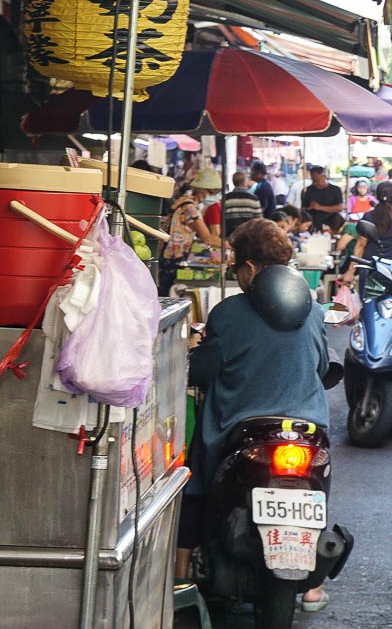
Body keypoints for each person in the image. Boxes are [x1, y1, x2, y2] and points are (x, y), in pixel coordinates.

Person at [176, 218, 330, 611]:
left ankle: (179, 569)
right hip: (306, 428)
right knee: (315, 486)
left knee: (197, 475)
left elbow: (204, 371)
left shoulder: (228, 312)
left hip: (238, 428)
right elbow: (323, 366)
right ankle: (312, 586)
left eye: (235, 263)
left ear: (249, 268)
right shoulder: (312, 308)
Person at [158, 169, 226, 297]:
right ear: (202, 191)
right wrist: (232, 245)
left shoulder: (185, 202)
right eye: (213, 192)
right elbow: (208, 239)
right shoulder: (189, 208)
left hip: (170, 256)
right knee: (165, 295)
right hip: (171, 259)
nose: (215, 195)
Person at [341, 181, 392, 286]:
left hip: (369, 266)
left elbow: (360, 245)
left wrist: (350, 272)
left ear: (376, 196)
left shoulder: (368, 217)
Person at [221, 171, 263, 237]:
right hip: (249, 236)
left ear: (233, 182)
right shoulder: (253, 199)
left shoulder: (225, 198)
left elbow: (222, 218)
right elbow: (259, 220)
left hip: (230, 236)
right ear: (244, 183)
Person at [302, 165, 345, 230]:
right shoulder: (308, 190)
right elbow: (303, 208)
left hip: (332, 224)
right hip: (313, 224)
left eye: (317, 180)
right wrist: (309, 208)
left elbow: (339, 208)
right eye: (313, 180)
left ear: (323, 176)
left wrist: (319, 207)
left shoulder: (335, 190)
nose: (315, 183)